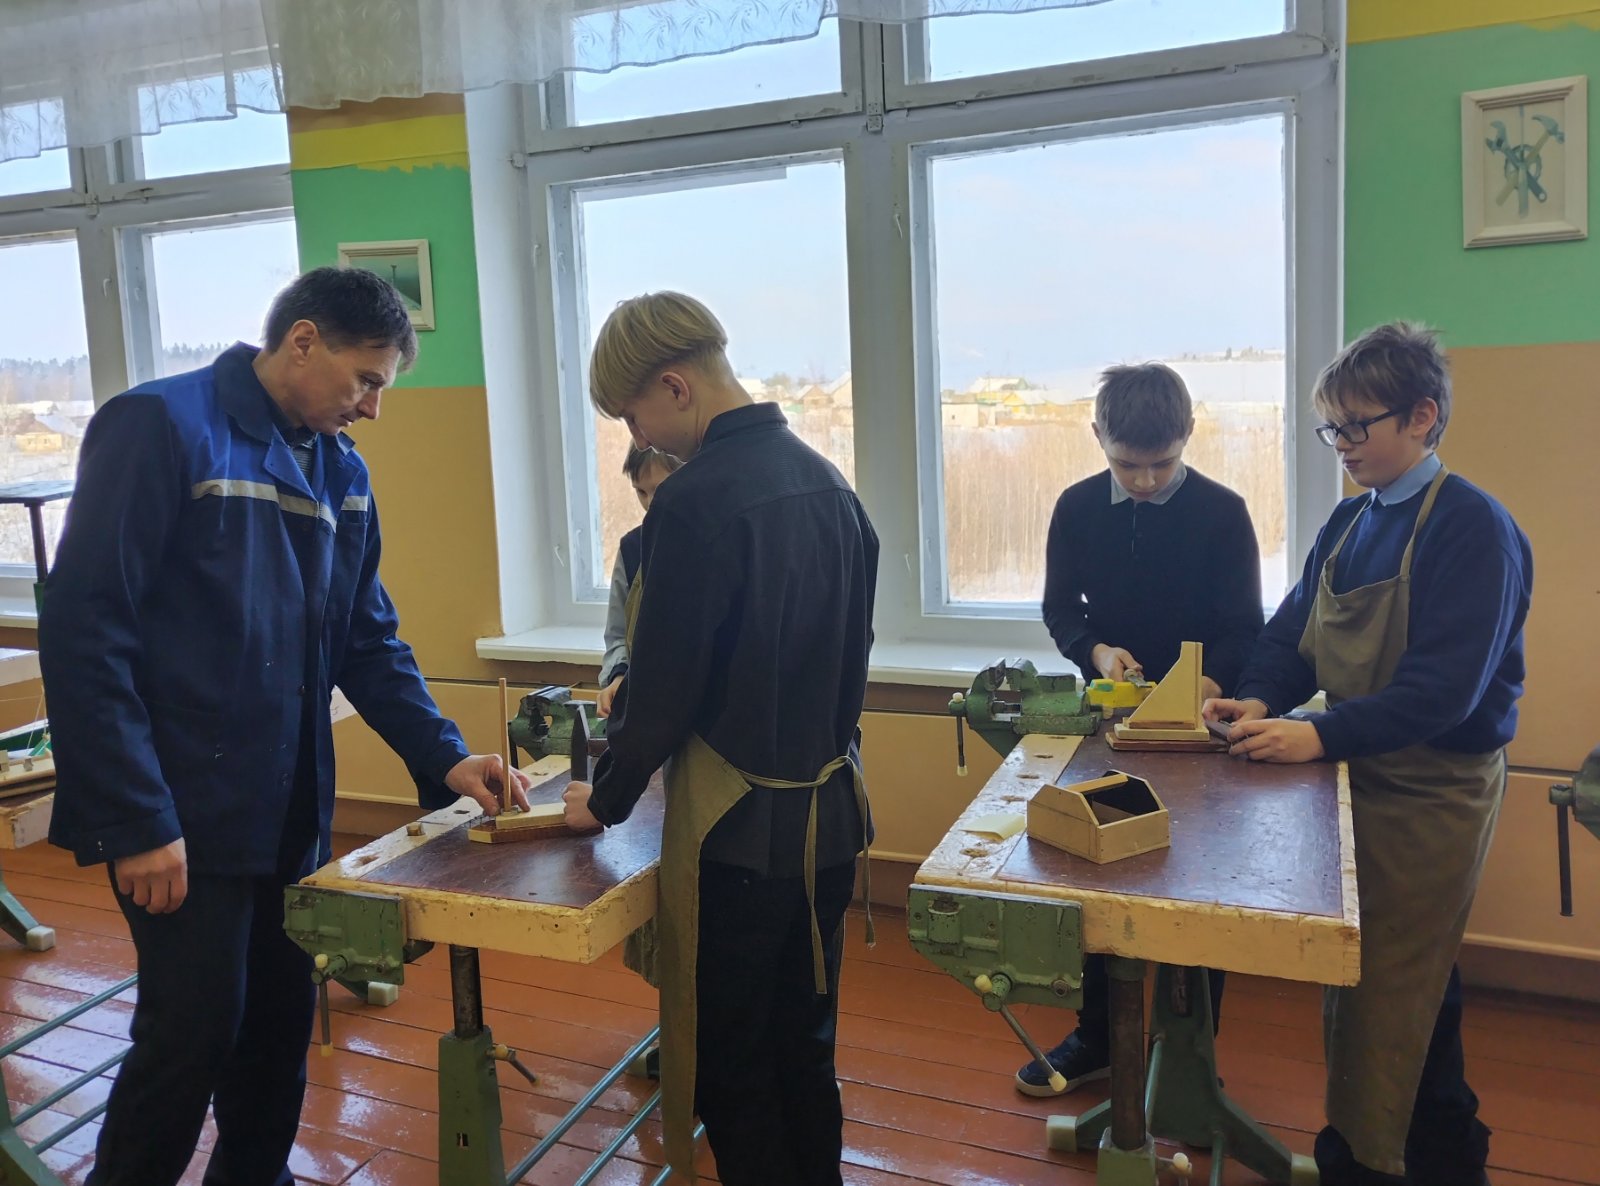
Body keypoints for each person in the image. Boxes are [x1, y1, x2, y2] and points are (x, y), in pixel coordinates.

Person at [39, 266, 529, 1186]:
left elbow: (367, 641)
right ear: (303, 341)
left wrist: (447, 756)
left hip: (290, 811)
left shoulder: (342, 470)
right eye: (367, 380)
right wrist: (136, 817)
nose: (373, 407)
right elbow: (86, 630)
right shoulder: (161, 426)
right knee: (191, 1034)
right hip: (181, 815)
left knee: (276, 1031)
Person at [561, 291, 877, 1186]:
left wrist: (604, 800)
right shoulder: (831, 484)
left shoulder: (694, 504)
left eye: (634, 418)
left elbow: (661, 696)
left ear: (674, 386)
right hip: (830, 825)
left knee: (730, 1063)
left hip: (735, 841)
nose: (641, 439)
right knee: (804, 1045)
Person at [1206, 322, 1530, 1186]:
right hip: (1357, 774)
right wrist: (1258, 697)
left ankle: (1411, 1161)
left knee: (1402, 993)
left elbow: (1442, 692)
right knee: (1372, 987)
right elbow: (1293, 634)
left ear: (1423, 416)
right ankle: (1392, 1151)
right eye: (1332, 429)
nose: (1343, 445)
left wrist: (1317, 735)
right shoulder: (1351, 522)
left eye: (1358, 426)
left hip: (1433, 791)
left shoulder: (1474, 529)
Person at [1024, 361, 1263, 1096]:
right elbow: (1061, 609)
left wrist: (1204, 688)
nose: (1146, 481)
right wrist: (1096, 652)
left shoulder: (1223, 512)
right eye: (1128, 465)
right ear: (1098, 436)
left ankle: (1190, 1051)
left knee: (1200, 882)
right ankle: (1098, 1035)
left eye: (1162, 463)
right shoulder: (1075, 508)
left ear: (1188, 433)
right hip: (1112, 722)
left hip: (1202, 726)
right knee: (1099, 870)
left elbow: (1244, 627)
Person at [597, 443, 681, 718]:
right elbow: (617, 635)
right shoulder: (632, 549)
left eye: (660, 489)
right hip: (646, 706)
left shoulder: (715, 541)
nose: (650, 502)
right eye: (640, 492)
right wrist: (618, 677)